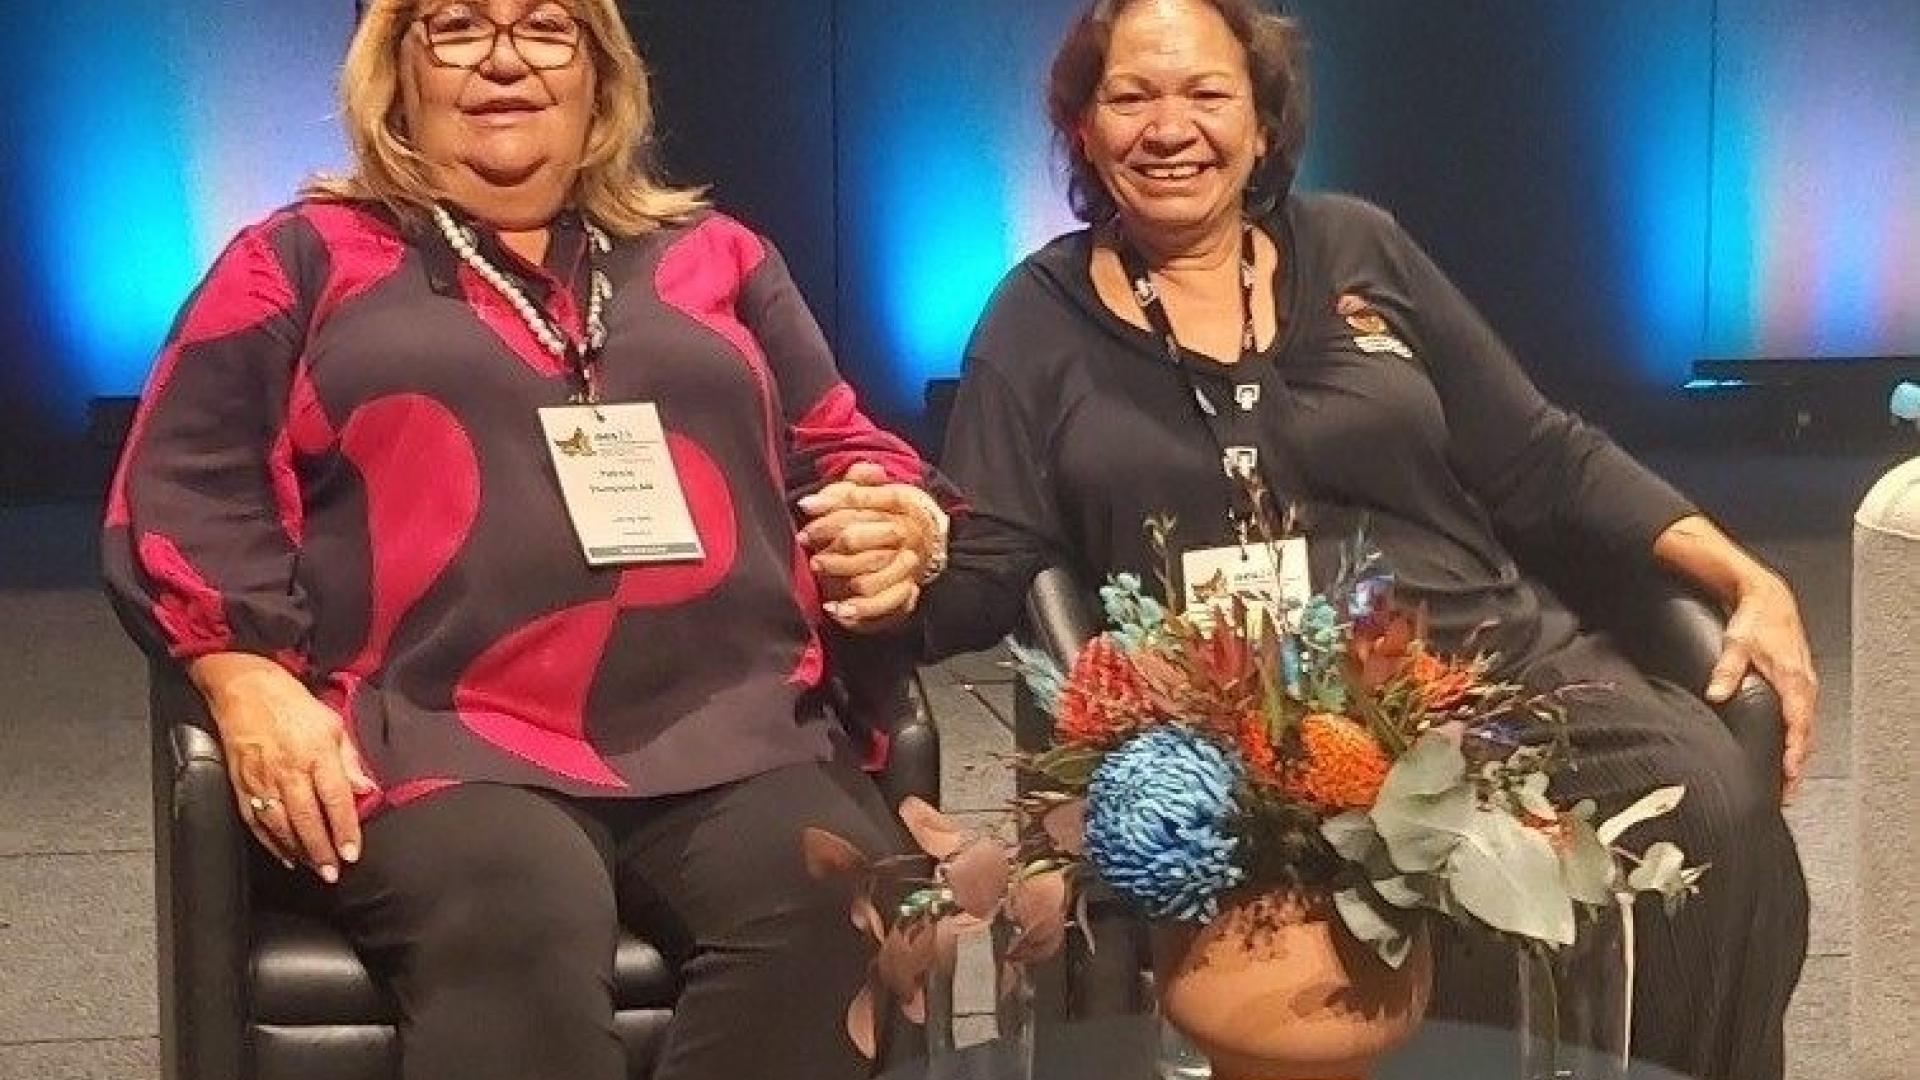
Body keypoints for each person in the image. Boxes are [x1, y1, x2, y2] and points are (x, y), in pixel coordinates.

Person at [814, 1, 1813, 1077]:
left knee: (1712, 810)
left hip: (1482, 674)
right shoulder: (1036, 315)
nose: (1169, 127)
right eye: (1131, 96)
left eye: (1206, 94)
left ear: (1260, 121)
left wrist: (1748, 576)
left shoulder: (1357, 243)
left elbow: (1540, 455)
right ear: (1084, 129)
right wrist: (908, 550)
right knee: (1407, 868)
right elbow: (989, 557)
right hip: (1255, 725)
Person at [102, 2, 951, 1078]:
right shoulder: (303, 258)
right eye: (457, 26)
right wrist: (240, 675)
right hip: (437, 736)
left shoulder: (718, 255)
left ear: (600, 71)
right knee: (521, 913)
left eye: (545, 27)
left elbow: (844, 446)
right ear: (395, 71)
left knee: (847, 902)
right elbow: (182, 489)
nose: (504, 59)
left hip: (730, 725)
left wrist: (905, 523)